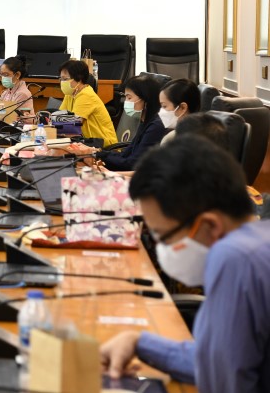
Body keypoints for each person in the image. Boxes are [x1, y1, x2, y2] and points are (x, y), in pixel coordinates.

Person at [99, 136, 270, 392]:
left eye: (163, 236)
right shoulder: (259, 238)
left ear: (210, 225)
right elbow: (219, 361)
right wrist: (139, 342)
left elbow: (225, 383)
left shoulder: (234, 258)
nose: (162, 248)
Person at [97, 75, 166, 171]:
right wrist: (96, 152)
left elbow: (132, 164)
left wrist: (97, 155)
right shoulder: (145, 121)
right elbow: (125, 154)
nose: (126, 102)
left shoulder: (156, 126)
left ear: (145, 100)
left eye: (129, 98)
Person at [58, 59, 118, 147]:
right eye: (61, 79)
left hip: (103, 145)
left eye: (65, 79)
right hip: (86, 142)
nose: (62, 82)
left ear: (79, 79)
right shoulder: (71, 93)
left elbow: (72, 126)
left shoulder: (86, 95)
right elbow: (59, 119)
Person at [0, 56, 35, 123]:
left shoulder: (22, 94)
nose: (3, 78)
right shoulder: (6, 92)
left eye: (6, 74)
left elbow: (16, 118)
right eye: (1, 74)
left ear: (17, 75)